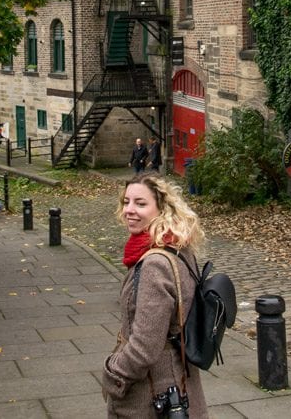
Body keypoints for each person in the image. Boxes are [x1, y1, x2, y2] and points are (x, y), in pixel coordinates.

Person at [102, 175, 207, 417]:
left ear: (161, 209)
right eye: (126, 202)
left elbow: (144, 348)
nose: (129, 210)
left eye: (140, 203)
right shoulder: (177, 247)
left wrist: (113, 374)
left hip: (152, 391)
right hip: (181, 377)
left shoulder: (155, 264)